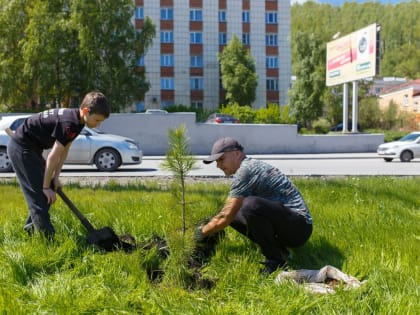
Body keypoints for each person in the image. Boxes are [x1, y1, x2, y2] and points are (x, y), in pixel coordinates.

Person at [195, 137, 313, 275]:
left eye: (221, 159)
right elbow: (228, 213)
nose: (218, 166)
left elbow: (225, 217)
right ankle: (279, 249)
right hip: (289, 224)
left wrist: (199, 232)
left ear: (237, 154)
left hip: (299, 227)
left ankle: (276, 262)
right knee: (235, 211)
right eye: (216, 161)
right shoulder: (247, 167)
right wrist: (209, 228)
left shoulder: (246, 170)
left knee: (249, 206)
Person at [7, 91, 110, 238]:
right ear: (86, 111)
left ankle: (30, 231)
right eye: (97, 120)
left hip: (31, 149)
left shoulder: (79, 121)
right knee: (39, 195)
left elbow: (64, 149)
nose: (98, 124)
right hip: (21, 148)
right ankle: (47, 241)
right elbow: (52, 156)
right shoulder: (69, 123)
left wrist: (55, 178)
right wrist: (45, 186)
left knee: (47, 193)